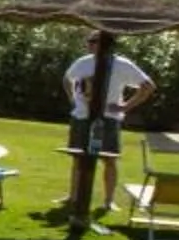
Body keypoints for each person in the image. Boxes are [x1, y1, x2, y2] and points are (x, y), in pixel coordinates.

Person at [63, 33, 156, 215]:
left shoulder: (122, 65)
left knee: (110, 159)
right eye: (88, 41)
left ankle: (108, 201)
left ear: (105, 44)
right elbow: (67, 78)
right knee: (78, 157)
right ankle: (73, 196)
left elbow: (148, 86)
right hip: (82, 116)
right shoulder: (84, 62)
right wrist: (73, 100)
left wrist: (125, 106)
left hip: (108, 118)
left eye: (92, 41)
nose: (88, 44)